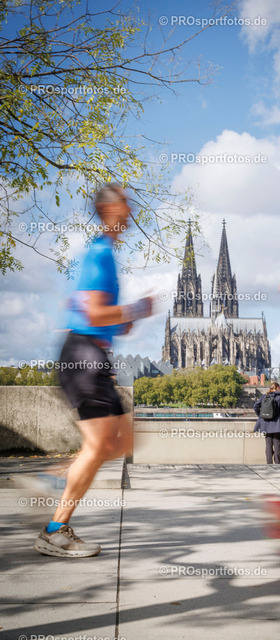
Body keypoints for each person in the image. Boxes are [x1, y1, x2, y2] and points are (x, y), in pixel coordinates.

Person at [34, 183, 154, 558]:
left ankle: (55, 479)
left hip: (93, 355)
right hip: (83, 356)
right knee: (102, 445)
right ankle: (55, 529)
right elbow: (93, 312)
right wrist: (136, 310)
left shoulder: (105, 253)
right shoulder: (99, 253)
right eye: (126, 204)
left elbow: (96, 315)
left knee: (124, 441)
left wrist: (122, 323)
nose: (131, 210)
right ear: (110, 210)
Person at [254, 382, 280, 464]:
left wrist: (261, 416)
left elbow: (255, 406)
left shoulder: (265, 396)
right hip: (277, 425)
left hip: (266, 424)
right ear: (278, 388)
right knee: (277, 445)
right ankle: (278, 464)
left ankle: (269, 463)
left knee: (268, 445)